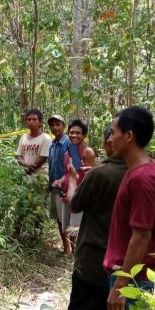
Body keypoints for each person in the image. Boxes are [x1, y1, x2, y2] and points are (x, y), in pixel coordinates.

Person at [103, 106, 155, 310]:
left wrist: (120, 287)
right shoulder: (142, 170)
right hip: (133, 280)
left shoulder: (142, 178)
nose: (109, 138)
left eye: (114, 132)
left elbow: (141, 237)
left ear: (129, 136)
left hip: (135, 283)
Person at [63, 124, 127, 310]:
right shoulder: (141, 172)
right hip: (125, 265)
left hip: (92, 260)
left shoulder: (100, 174)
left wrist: (72, 177)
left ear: (110, 143)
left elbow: (75, 203)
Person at [54, 119, 97, 250]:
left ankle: (77, 256)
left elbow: (90, 175)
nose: (74, 135)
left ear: (84, 135)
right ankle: (73, 254)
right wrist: (61, 180)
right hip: (67, 194)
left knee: (76, 228)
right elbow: (69, 172)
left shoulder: (87, 152)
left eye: (78, 133)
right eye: (71, 132)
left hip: (79, 196)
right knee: (67, 226)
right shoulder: (68, 152)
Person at [46, 115, 72, 254]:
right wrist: (50, 185)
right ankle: (66, 248)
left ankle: (74, 249)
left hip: (67, 188)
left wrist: (65, 180)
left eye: (58, 124)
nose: (55, 127)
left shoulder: (68, 143)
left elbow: (74, 165)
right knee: (59, 219)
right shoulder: (52, 144)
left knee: (70, 218)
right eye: (52, 125)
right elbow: (51, 166)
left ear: (63, 125)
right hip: (55, 188)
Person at [15, 109, 51, 175]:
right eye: (29, 119)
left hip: (41, 176)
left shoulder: (46, 138)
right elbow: (18, 155)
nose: (31, 122)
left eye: (34, 119)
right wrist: (26, 165)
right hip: (25, 175)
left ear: (40, 122)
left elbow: (43, 158)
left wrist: (29, 170)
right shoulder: (23, 137)